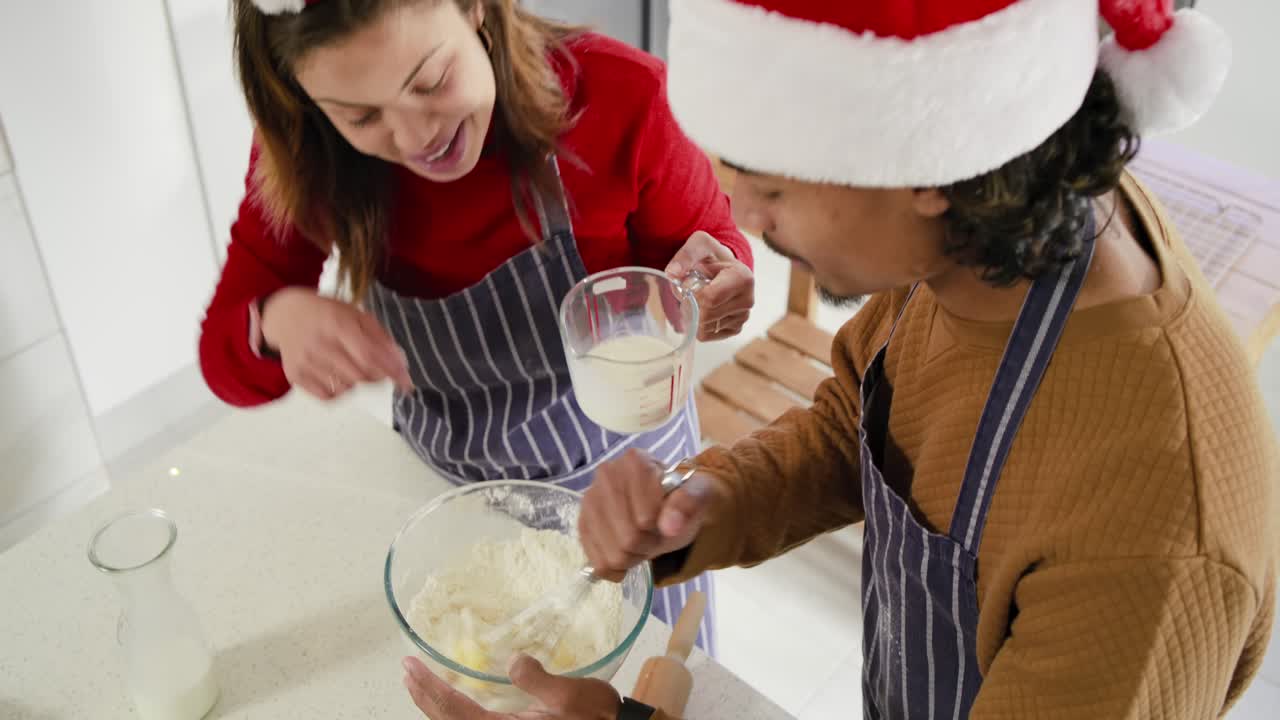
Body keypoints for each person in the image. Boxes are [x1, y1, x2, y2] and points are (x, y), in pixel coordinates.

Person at [401, 0, 1279, 718]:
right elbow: (864, 426)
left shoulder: (1149, 532)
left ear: (932, 160)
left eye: (774, 186)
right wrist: (704, 502)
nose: (742, 217)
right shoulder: (979, 243)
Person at [199, 0, 757, 655]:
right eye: (362, 115)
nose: (414, 139)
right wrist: (273, 321)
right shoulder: (310, 154)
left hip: (632, 490)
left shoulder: (621, 97)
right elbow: (223, 360)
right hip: (456, 505)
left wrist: (720, 279)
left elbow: (710, 247)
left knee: (655, 685)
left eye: (430, 82)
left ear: (473, 9)